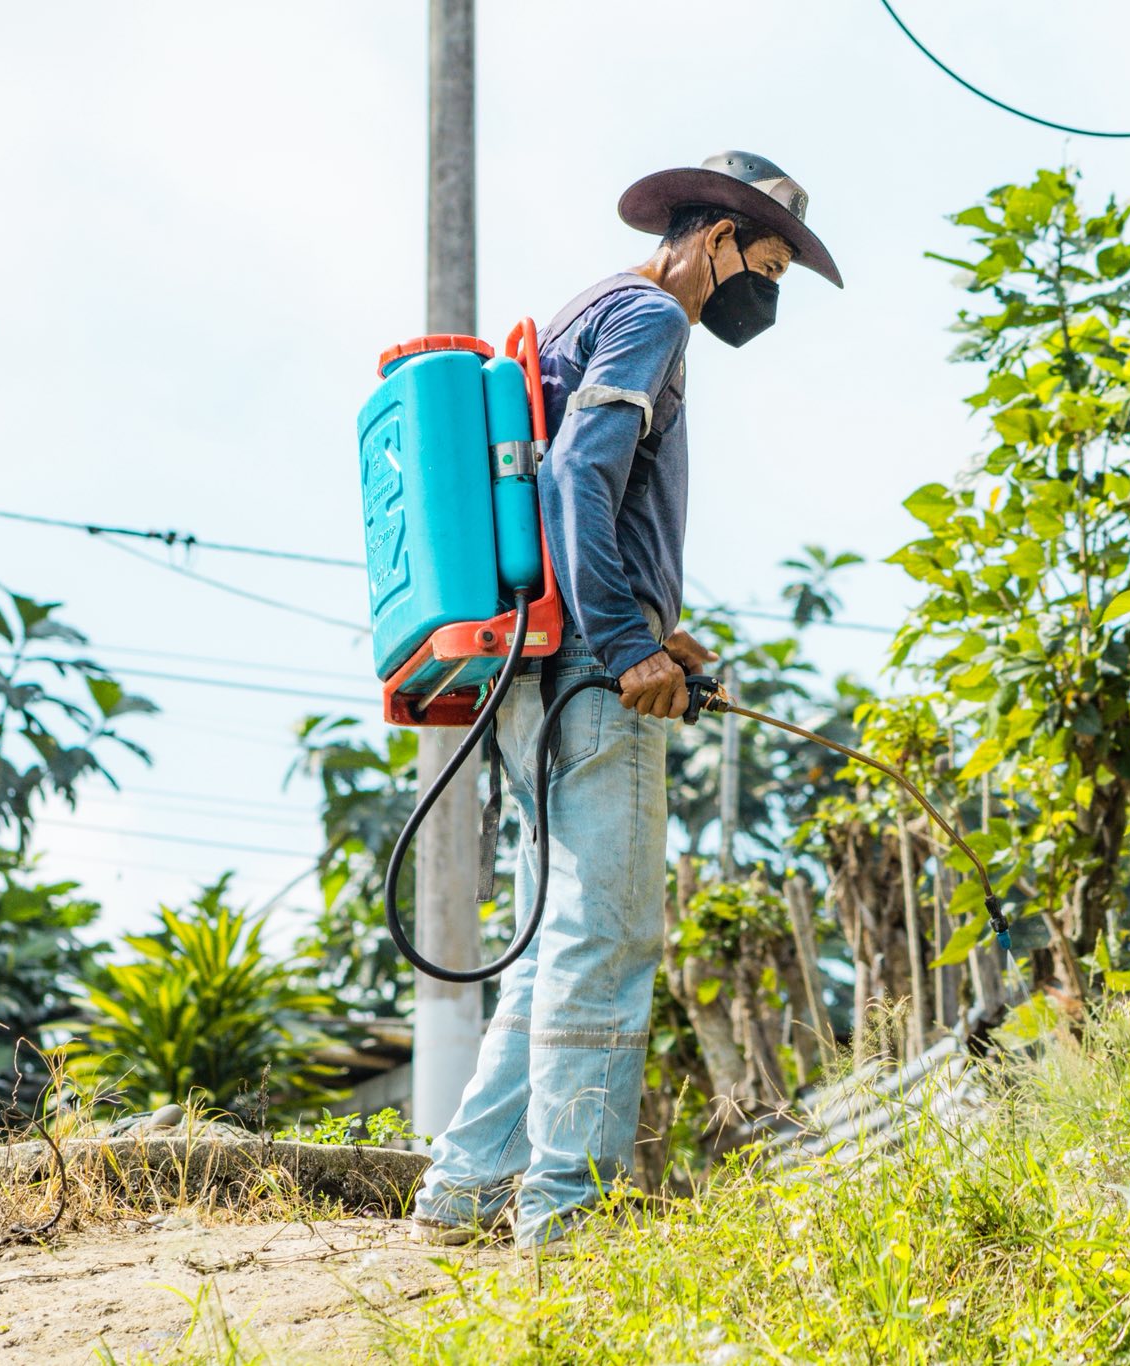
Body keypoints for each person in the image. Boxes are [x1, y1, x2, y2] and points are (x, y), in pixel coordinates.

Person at [410, 151, 842, 1250]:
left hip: (536, 674)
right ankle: (568, 1218)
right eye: (768, 266)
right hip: (588, 678)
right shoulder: (651, 316)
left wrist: (652, 628)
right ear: (713, 238)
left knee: (555, 941)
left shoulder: (586, 313)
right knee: (605, 938)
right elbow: (575, 478)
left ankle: (464, 1193)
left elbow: (578, 488)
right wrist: (624, 646)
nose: (768, 294)